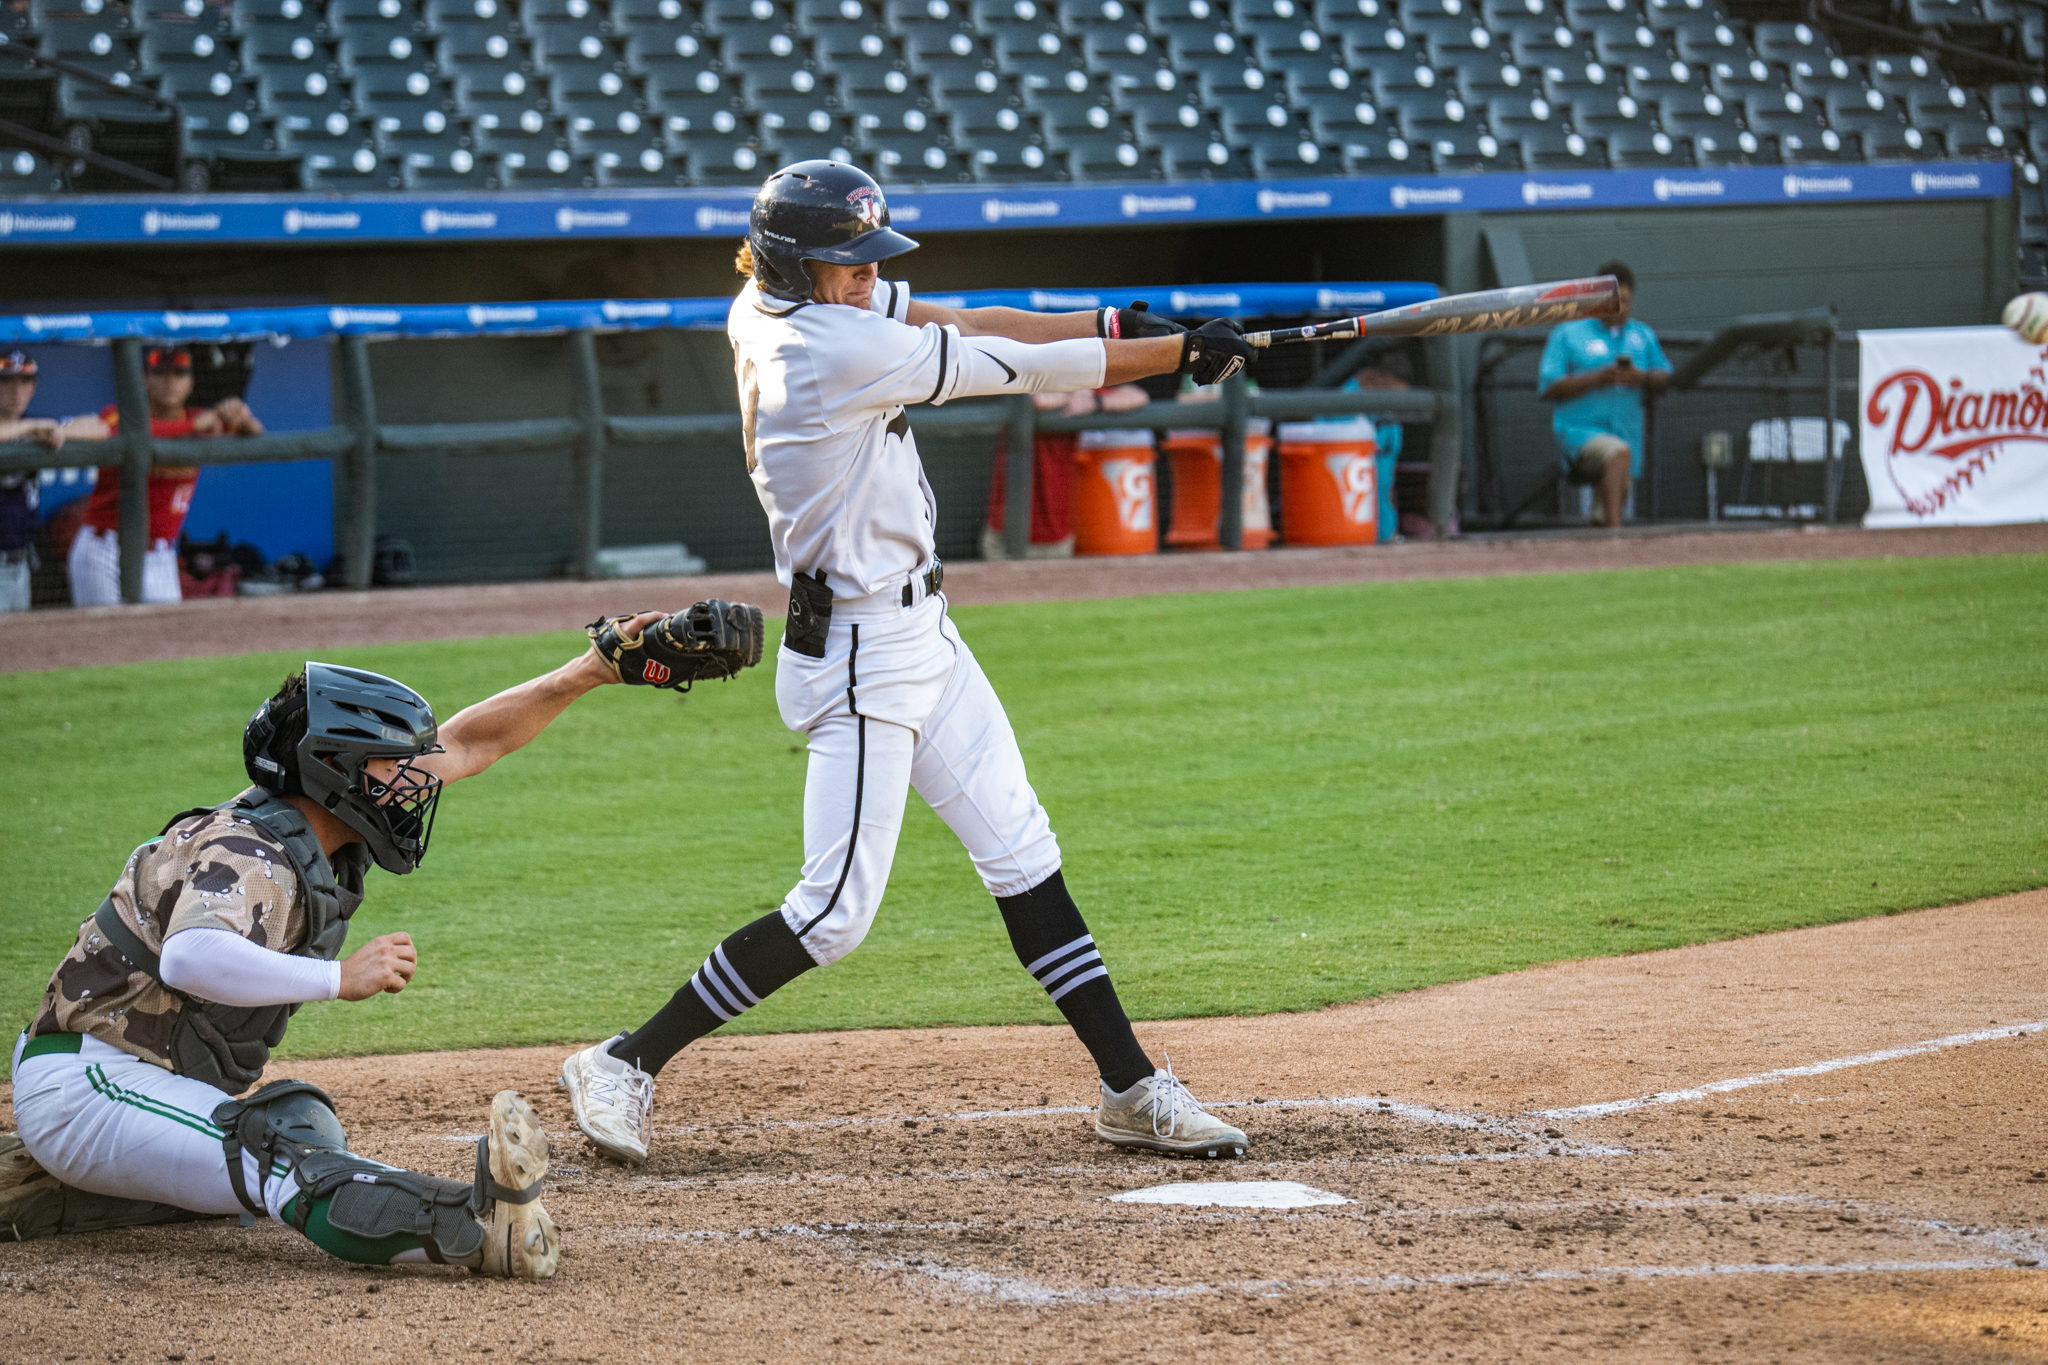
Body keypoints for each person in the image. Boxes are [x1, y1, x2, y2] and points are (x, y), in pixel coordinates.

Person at [560, 160, 1257, 1167]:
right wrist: (1173, 354)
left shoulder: (785, 304)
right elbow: (1012, 366)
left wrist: (1115, 322)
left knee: (1022, 852)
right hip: (857, 653)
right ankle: (622, 1061)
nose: (867, 276)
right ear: (795, 266)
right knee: (834, 913)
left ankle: (1130, 1087)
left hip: (923, 629)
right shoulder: (824, 346)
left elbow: (964, 315)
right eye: (847, 263)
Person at [2, 617, 678, 1271]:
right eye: (394, 764)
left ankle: (56, 1188)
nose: (414, 780)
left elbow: (472, 743)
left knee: (299, 1119)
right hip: (90, 1083)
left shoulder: (302, 830)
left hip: (143, 1082)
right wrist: (338, 979)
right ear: (337, 770)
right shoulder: (248, 851)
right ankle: (475, 1227)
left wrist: (589, 670)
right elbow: (189, 956)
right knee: (278, 1154)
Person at [68, 346, 263, 607]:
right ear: (144, 380)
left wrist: (241, 416)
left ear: (191, 383)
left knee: (166, 628)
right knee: (106, 630)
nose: (170, 381)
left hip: (160, 552)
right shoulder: (118, 413)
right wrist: (193, 426)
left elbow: (255, 434)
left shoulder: (200, 418)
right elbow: (130, 432)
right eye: (160, 373)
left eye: (179, 374)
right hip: (105, 548)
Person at [1537, 261, 1671, 529]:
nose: (1620, 308)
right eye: (1614, 301)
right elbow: (1548, 387)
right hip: (1580, 434)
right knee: (1616, 455)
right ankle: (1616, 540)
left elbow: (1666, 375)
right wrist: (1597, 378)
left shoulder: (1642, 335)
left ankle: (1604, 539)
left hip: (1627, 435)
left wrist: (1641, 378)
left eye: (1626, 301)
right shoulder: (1568, 333)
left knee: (1607, 507)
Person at [981, 384, 1151, 560]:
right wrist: (1073, 397)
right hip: (1007, 535)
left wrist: (1096, 401)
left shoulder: (1077, 387)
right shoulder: (1031, 381)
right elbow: (1037, 399)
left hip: (1058, 536)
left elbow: (1138, 396)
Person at [0, 350, 107, 612]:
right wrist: (30, 430)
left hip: (19, 563)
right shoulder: (32, 427)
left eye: (24, 382)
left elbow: (99, 427)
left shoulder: (36, 426)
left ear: (34, 387)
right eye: (7, 381)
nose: (16, 391)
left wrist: (59, 431)